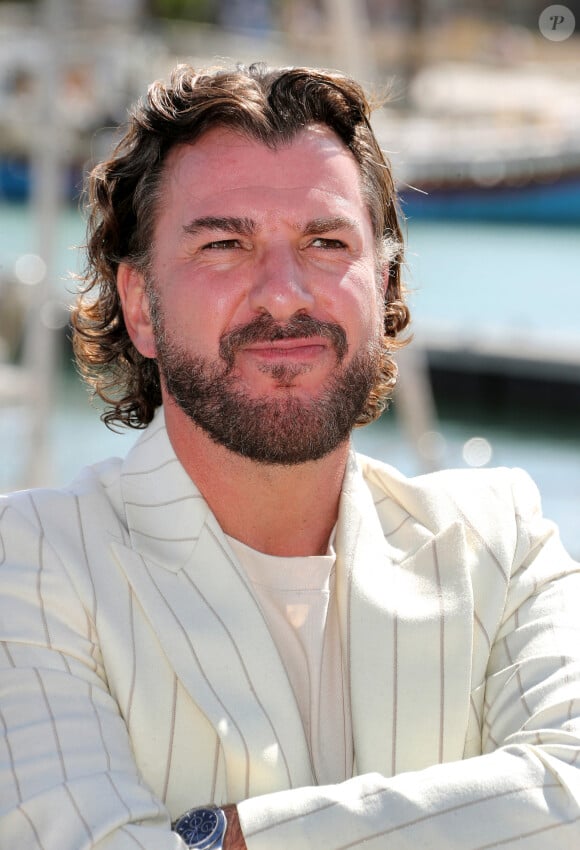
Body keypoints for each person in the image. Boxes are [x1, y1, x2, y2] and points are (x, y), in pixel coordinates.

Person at [1, 62, 579, 850]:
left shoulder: (501, 546)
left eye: (325, 241)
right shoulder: (29, 567)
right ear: (139, 306)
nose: (283, 293)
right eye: (224, 244)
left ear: (385, 283)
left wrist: (235, 837)